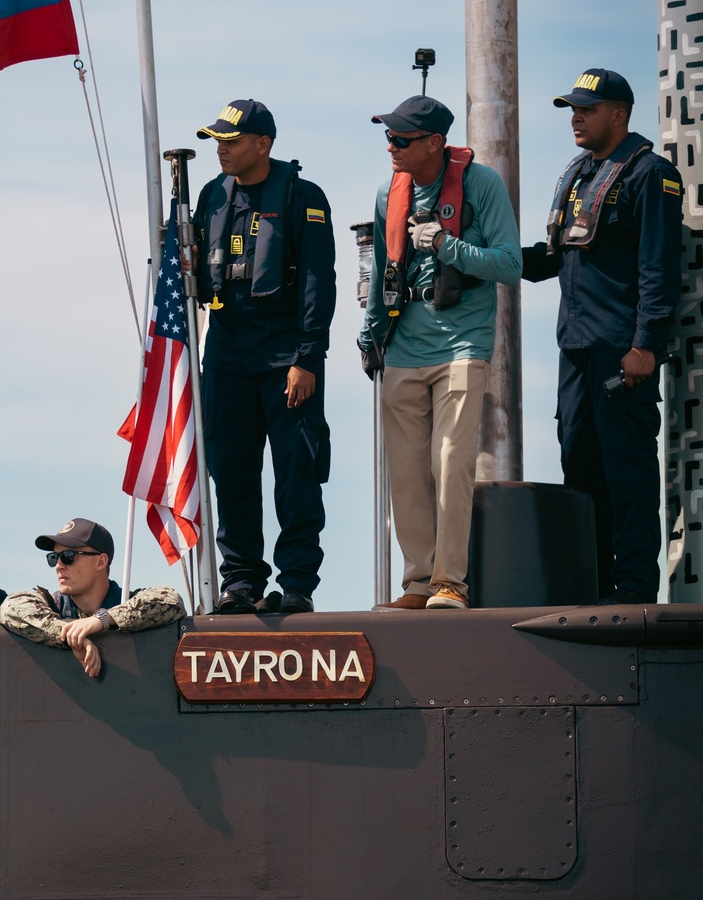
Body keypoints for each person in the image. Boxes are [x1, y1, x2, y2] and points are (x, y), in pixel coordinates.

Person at [521, 68, 683, 604]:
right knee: (580, 467)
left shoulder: (649, 174)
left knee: (627, 472)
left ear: (619, 114)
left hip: (622, 350)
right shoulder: (579, 175)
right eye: (572, 109)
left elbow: (660, 268)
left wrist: (646, 346)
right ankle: (594, 588)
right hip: (576, 350)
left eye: (586, 109)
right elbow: (551, 259)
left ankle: (634, 590)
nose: (576, 118)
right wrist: (486, 259)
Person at [359, 95, 521, 611]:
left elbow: (509, 262)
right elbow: (385, 271)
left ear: (434, 143)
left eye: (402, 139)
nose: (391, 146)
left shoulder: (483, 184)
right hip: (403, 345)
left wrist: (446, 246)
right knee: (405, 470)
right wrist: (370, 336)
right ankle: (418, 582)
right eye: (388, 137)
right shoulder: (390, 192)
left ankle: (450, 582)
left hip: (461, 345)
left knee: (449, 460)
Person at [192, 99, 336, 614]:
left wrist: (308, 358)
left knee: (297, 474)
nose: (221, 149)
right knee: (230, 472)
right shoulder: (209, 195)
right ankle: (242, 583)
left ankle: (296, 582)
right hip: (227, 356)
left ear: (263, 144)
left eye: (230, 141)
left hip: (285, 357)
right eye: (217, 141)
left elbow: (319, 282)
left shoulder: (302, 196)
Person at [0, 517, 185, 678]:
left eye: (68, 556)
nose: (59, 566)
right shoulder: (54, 606)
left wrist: (101, 620)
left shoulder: (127, 601)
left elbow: (170, 599)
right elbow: (10, 607)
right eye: (54, 557)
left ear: (101, 561)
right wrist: (69, 635)